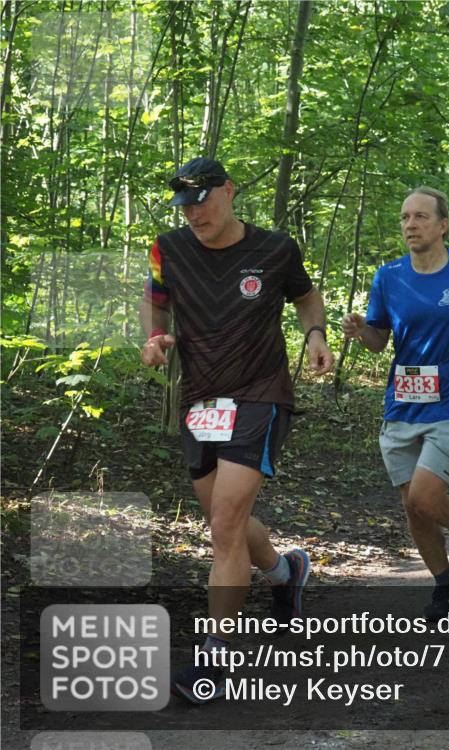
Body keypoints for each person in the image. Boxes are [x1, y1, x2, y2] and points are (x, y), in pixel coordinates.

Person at [141, 157, 333, 704]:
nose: (194, 212)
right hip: (200, 400)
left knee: (224, 523)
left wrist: (315, 334)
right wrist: (154, 340)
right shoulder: (167, 248)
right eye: (185, 204)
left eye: (203, 199)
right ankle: (283, 571)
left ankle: (214, 658)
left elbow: (305, 296)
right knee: (225, 520)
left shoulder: (275, 249)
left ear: (229, 191)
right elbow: (156, 305)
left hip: (260, 395)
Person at [342, 186, 449, 620]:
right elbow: (379, 342)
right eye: (404, 218)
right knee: (412, 504)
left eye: (419, 217)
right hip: (403, 401)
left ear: (443, 225)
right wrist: (361, 330)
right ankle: (444, 585)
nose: (410, 225)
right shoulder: (389, 277)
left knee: (425, 496)